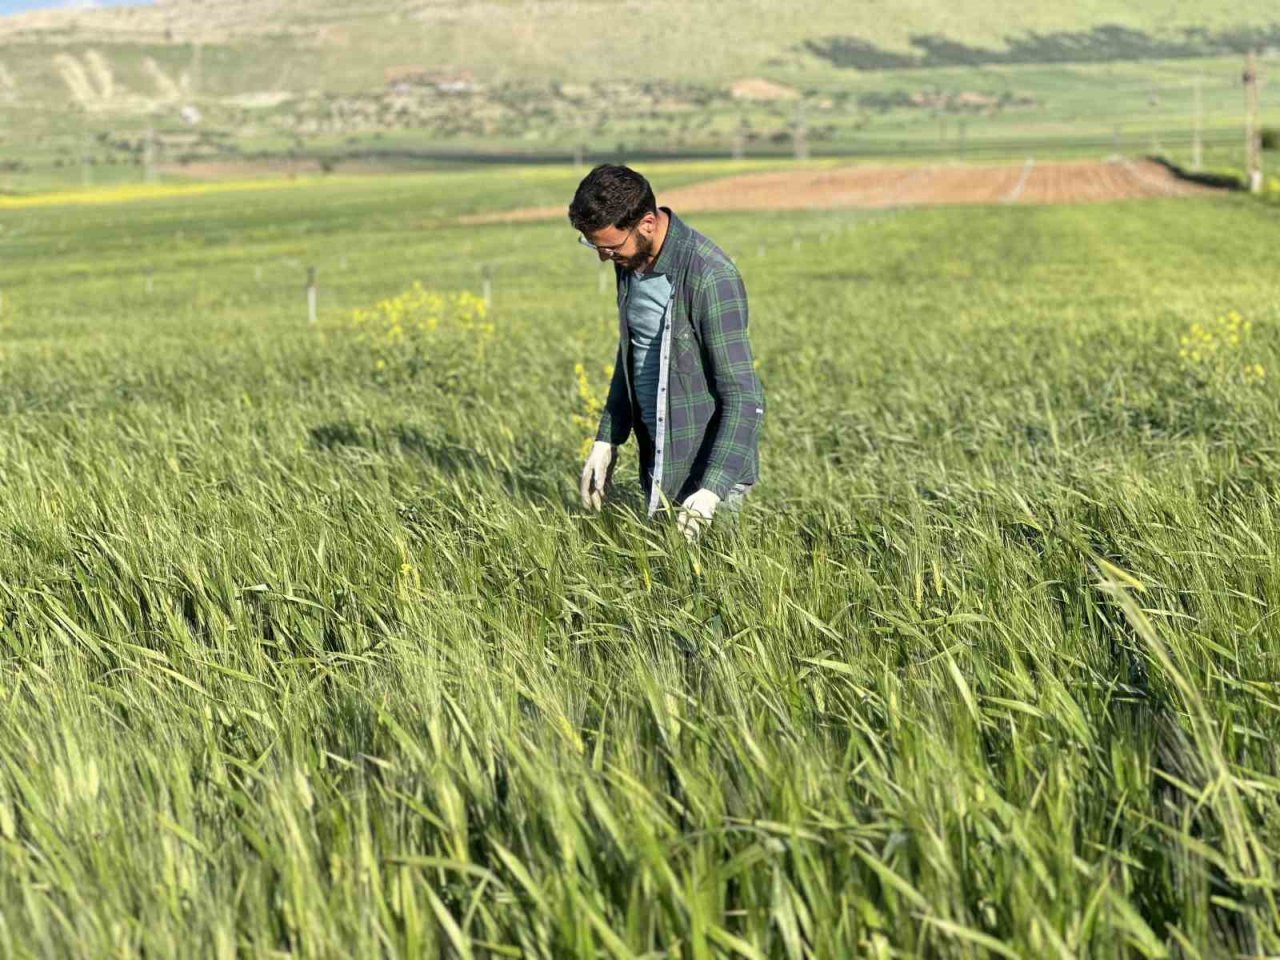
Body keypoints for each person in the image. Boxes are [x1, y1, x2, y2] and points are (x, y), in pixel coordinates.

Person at [569, 164, 764, 539]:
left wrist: (711, 491)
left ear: (645, 224)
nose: (603, 257)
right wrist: (607, 438)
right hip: (657, 463)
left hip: (708, 475)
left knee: (716, 588)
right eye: (595, 246)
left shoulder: (709, 275)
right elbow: (635, 352)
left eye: (609, 246)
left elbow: (744, 395)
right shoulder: (629, 262)